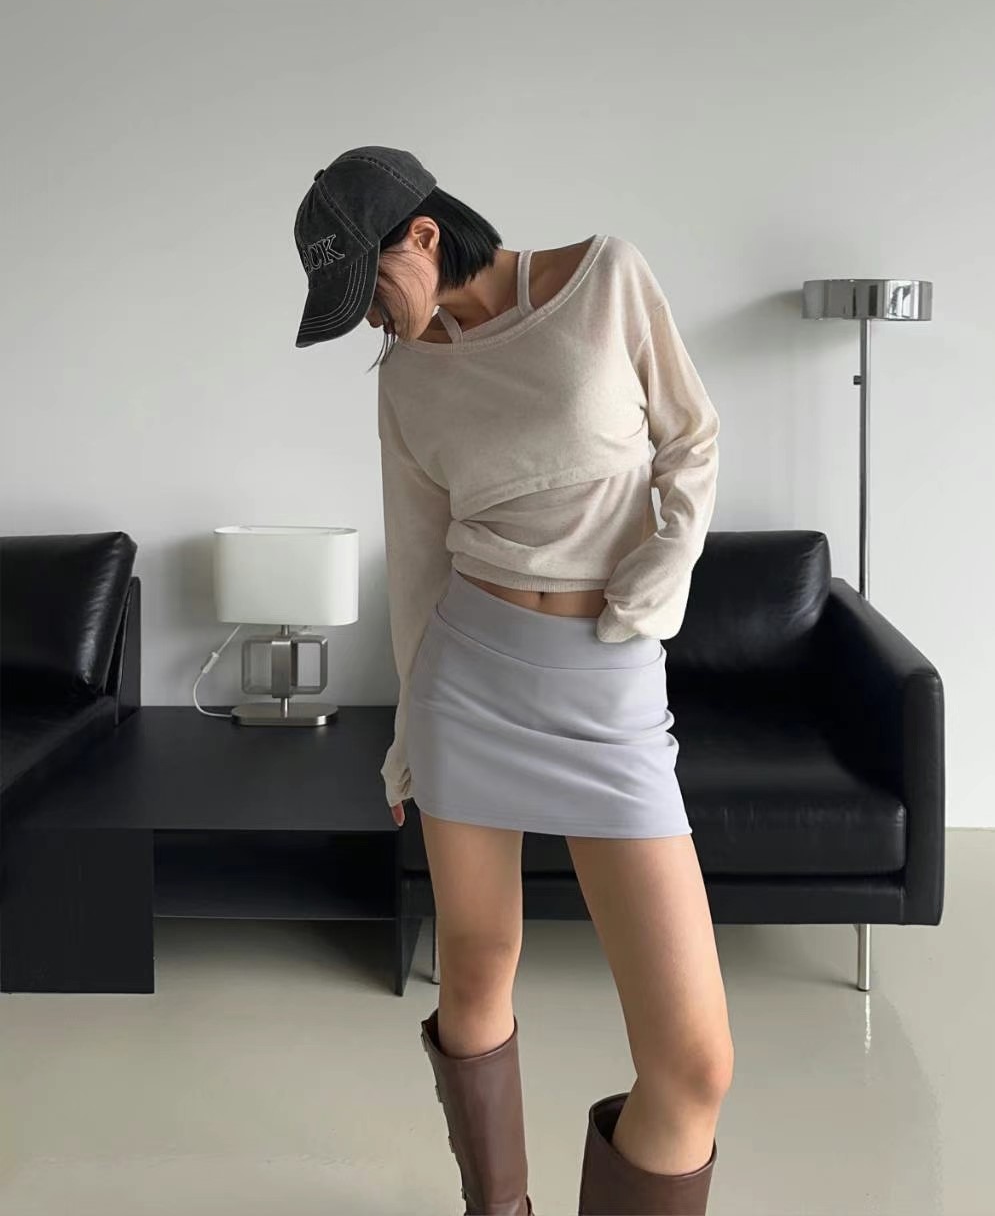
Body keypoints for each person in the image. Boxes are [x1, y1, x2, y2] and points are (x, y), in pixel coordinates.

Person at [294, 148, 734, 1216]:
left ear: (424, 235)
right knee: (478, 967)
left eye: (370, 290)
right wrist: (405, 730)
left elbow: (692, 438)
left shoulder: (606, 278)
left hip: (609, 688)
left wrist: (663, 569)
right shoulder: (407, 375)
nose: (371, 321)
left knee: (693, 1065)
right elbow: (417, 556)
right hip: (469, 679)